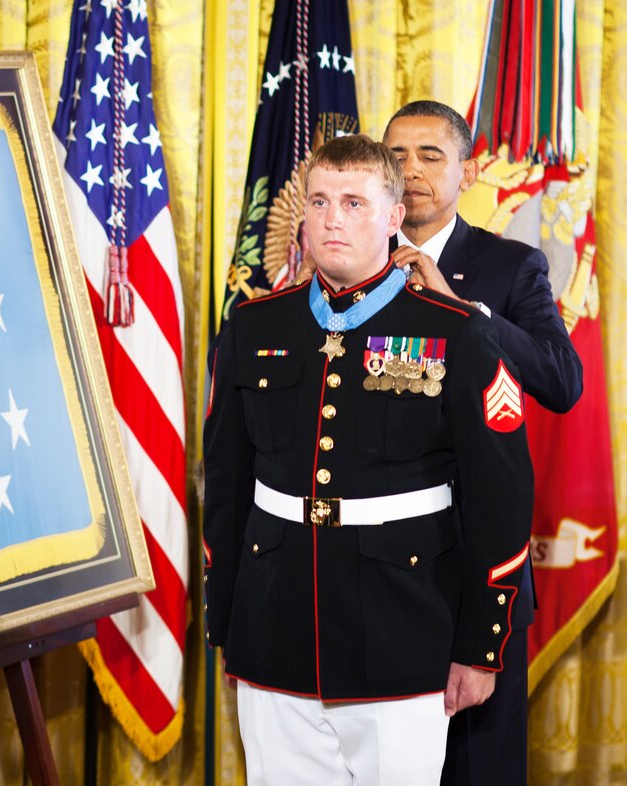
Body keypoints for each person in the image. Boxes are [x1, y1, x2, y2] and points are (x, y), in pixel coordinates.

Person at [203, 134, 534, 785]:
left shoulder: (457, 330)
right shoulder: (254, 327)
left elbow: (502, 498)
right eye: (320, 201)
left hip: (404, 630)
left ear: (392, 216)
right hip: (276, 626)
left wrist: (482, 646)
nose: (332, 218)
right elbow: (227, 485)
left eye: (354, 202)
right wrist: (228, 619)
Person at [383, 100, 583, 786]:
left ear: (467, 171)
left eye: (430, 156)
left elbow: (561, 380)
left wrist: (465, 314)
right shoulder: (344, 264)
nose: (411, 172)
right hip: (374, 576)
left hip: (477, 571)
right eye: (398, 157)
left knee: (477, 771)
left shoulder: (509, 266)